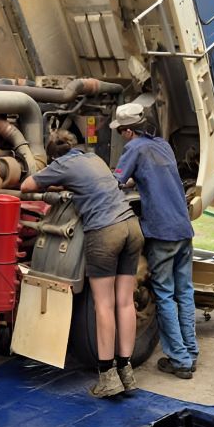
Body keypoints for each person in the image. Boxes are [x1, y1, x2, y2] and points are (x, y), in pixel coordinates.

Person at [22, 130, 143, 398]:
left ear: (54, 156)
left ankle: (107, 378)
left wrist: (55, 182)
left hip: (105, 232)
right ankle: (127, 372)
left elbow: (27, 186)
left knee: (104, 305)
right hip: (131, 227)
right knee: (125, 302)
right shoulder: (94, 158)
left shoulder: (61, 165)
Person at [111, 103, 198, 379]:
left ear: (127, 131)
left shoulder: (133, 149)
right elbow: (157, 177)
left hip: (161, 232)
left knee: (164, 293)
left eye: (120, 131)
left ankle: (180, 360)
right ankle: (191, 353)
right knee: (184, 291)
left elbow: (116, 181)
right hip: (183, 228)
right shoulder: (162, 145)